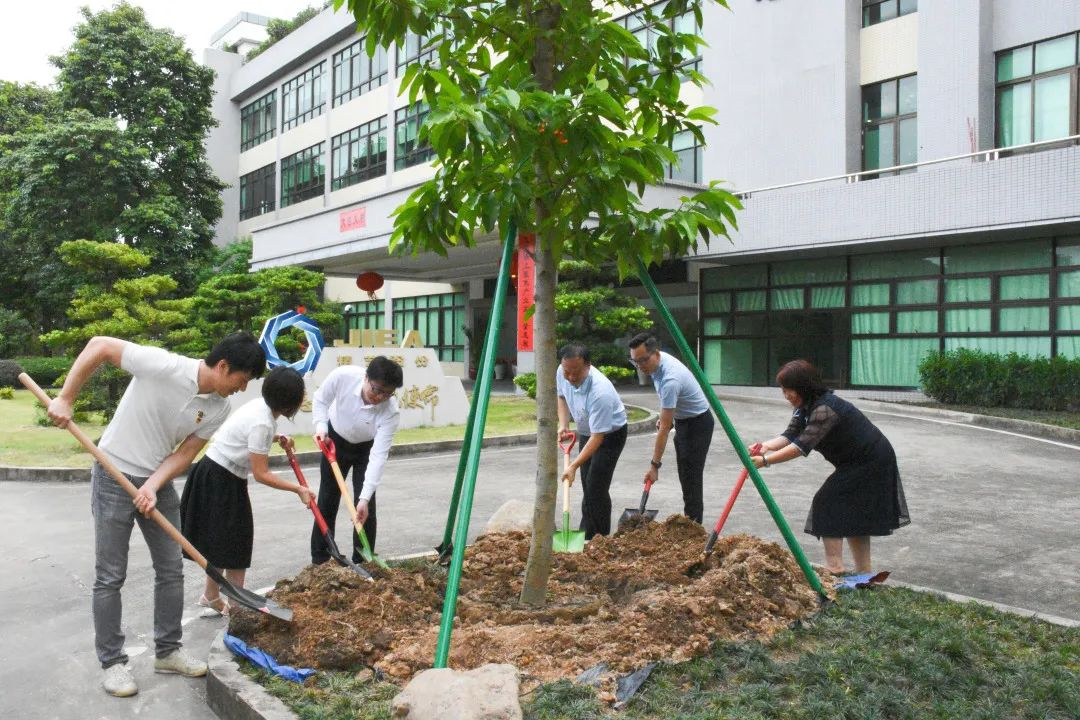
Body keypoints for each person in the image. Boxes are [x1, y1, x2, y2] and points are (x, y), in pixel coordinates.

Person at [46, 333, 265, 698]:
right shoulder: (164, 365)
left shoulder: (219, 408)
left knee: (171, 567)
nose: (241, 390)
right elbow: (100, 345)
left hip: (156, 482)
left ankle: (168, 651)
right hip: (112, 472)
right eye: (241, 381)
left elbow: (184, 453)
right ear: (224, 366)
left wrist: (152, 485)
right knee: (110, 574)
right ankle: (113, 663)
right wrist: (66, 398)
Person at [748, 359, 910, 575]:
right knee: (856, 516)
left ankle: (834, 569)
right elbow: (790, 435)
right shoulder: (804, 407)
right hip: (854, 462)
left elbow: (800, 446)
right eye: (783, 390)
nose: (786, 395)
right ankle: (864, 575)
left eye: (789, 390)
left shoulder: (825, 409)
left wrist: (766, 461)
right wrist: (766, 446)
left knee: (826, 501)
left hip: (871, 460)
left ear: (803, 387)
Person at [179, 366, 315, 618]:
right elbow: (262, 474)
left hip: (213, 473)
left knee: (220, 541)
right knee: (236, 544)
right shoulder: (263, 422)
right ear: (290, 402)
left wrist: (278, 437)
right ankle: (239, 609)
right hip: (220, 479)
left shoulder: (260, 409)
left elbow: (250, 434)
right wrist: (298, 488)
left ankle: (210, 596)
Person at [310, 355, 403, 565]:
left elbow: (379, 455)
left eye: (387, 393)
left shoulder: (391, 412)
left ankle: (362, 560)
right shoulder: (343, 376)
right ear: (366, 377)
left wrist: (364, 498)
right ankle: (321, 559)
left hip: (366, 450)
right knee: (327, 500)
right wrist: (321, 428)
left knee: (366, 507)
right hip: (334, 440)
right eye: (376, 389)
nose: (379, 397)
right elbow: (321, 399)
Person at [628, 332, 713, 523]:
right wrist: (668, 418)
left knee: (691, 478)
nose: (640, 366)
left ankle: (693, 526)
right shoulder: (657, 365)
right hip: (683, 420)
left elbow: (664, 429)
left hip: (697, 424)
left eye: (643, 360)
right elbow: (668, 415)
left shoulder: (669, 379)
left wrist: (654, 466)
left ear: (656, 353)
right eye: (635, 362)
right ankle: (691, 521)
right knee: (686, 475)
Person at [556, 343, 629, 539]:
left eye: (576, 373)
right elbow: (561, 397)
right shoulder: (562, 371)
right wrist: (563, 424)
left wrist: (573, 466)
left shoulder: (600, 392)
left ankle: (597, 537)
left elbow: (599, 437)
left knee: (596, 485)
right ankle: (589, 534)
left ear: (588, 366)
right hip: (588, 431)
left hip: (611, 435)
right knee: (589, 486)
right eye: (567, 371)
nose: (571, 377)